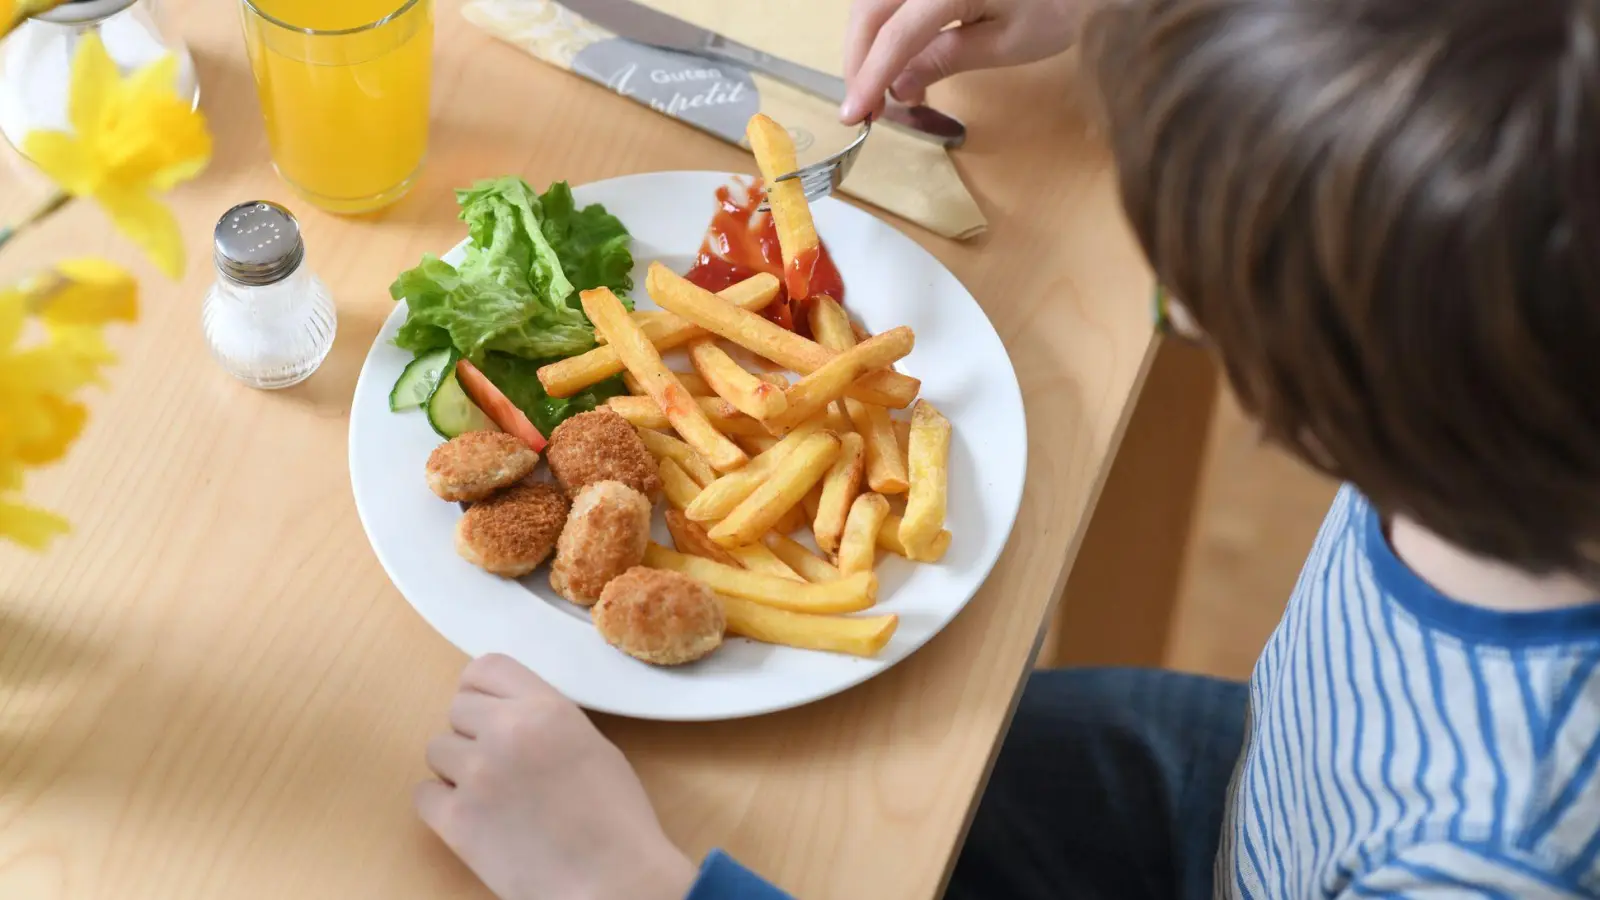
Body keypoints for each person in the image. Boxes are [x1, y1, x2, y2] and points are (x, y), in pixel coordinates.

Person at [413, 0, 1600, 896]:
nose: (1176, 316)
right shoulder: (1517, 382)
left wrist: (633, 886)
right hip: (1265, 784)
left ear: (1341, 383)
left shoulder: (1482, 856)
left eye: (1192, 289)